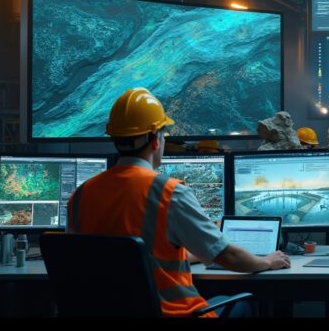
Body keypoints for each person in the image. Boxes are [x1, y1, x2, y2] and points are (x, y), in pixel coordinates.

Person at [67, 87, 290, 317]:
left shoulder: (80, 196)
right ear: (156, 140)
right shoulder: (169, 192)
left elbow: (130, 258)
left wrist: (198, 247)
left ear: (115, 139)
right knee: (245, 304)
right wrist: (266, 261)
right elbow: (229, 257)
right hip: (175, 314)